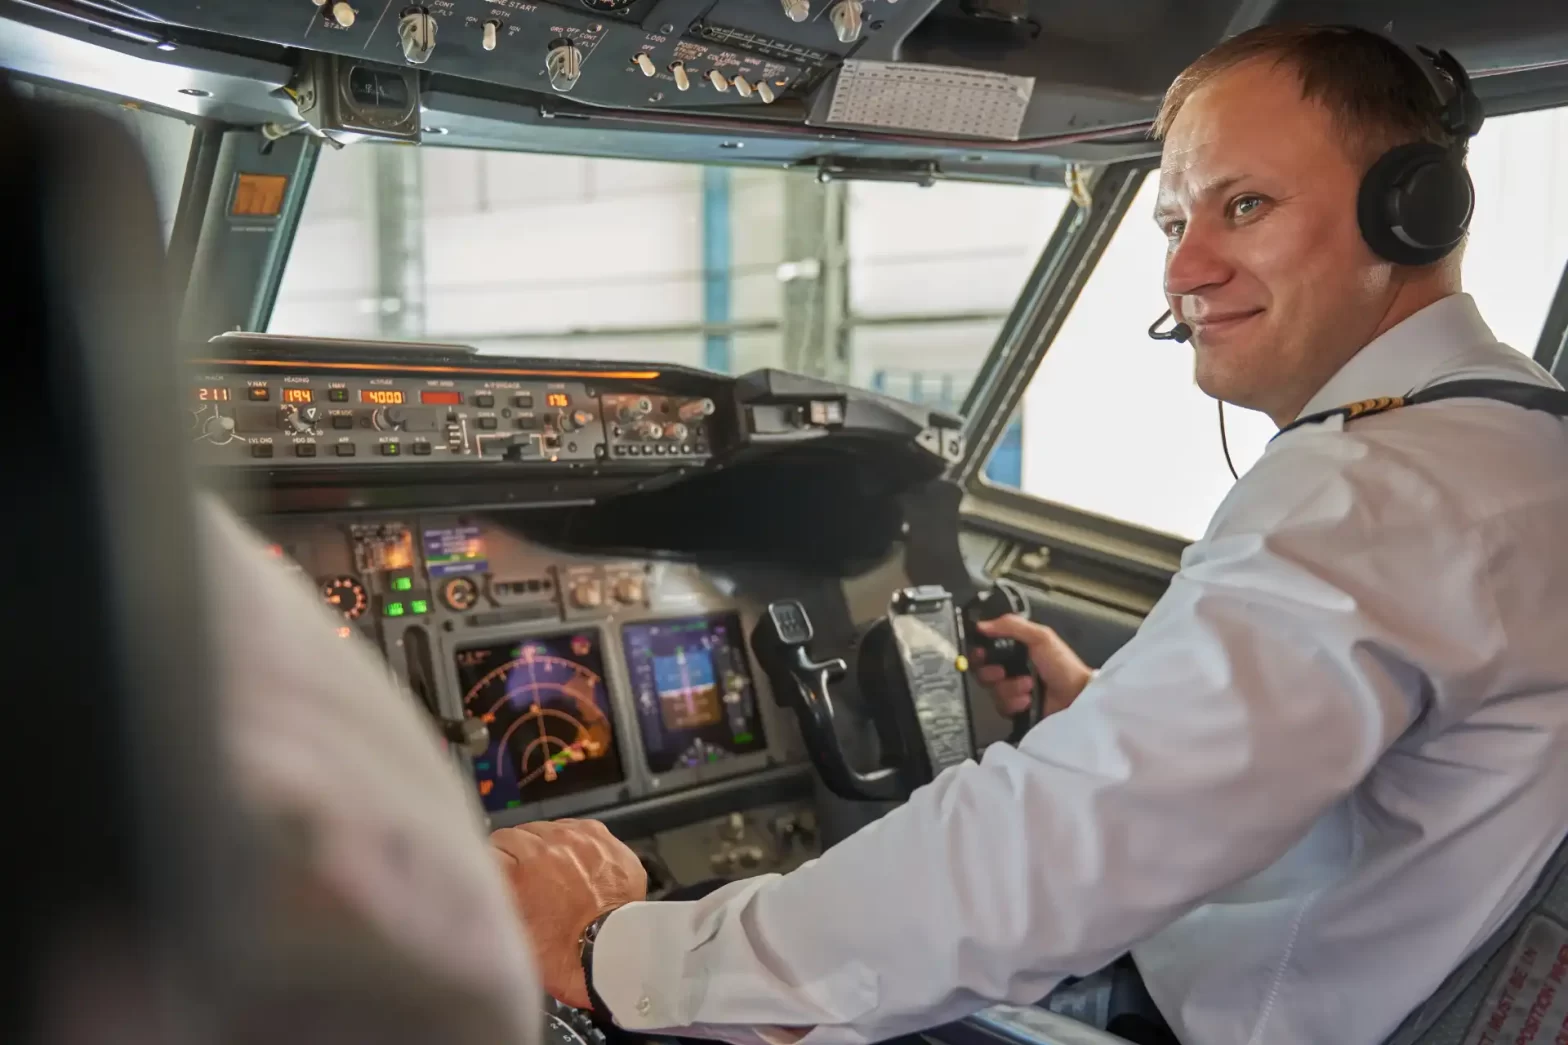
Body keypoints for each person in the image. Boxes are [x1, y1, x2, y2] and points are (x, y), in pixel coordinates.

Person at [489, 24, 1568, 1045]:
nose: (1182, 270)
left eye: (1243, 206)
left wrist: (615, 950)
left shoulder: (1376, 493)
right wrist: (1111, 716)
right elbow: (1278, 781)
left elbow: (1045, 859)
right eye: (1168, 222)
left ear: (1412, 213)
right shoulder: (1505, 438)